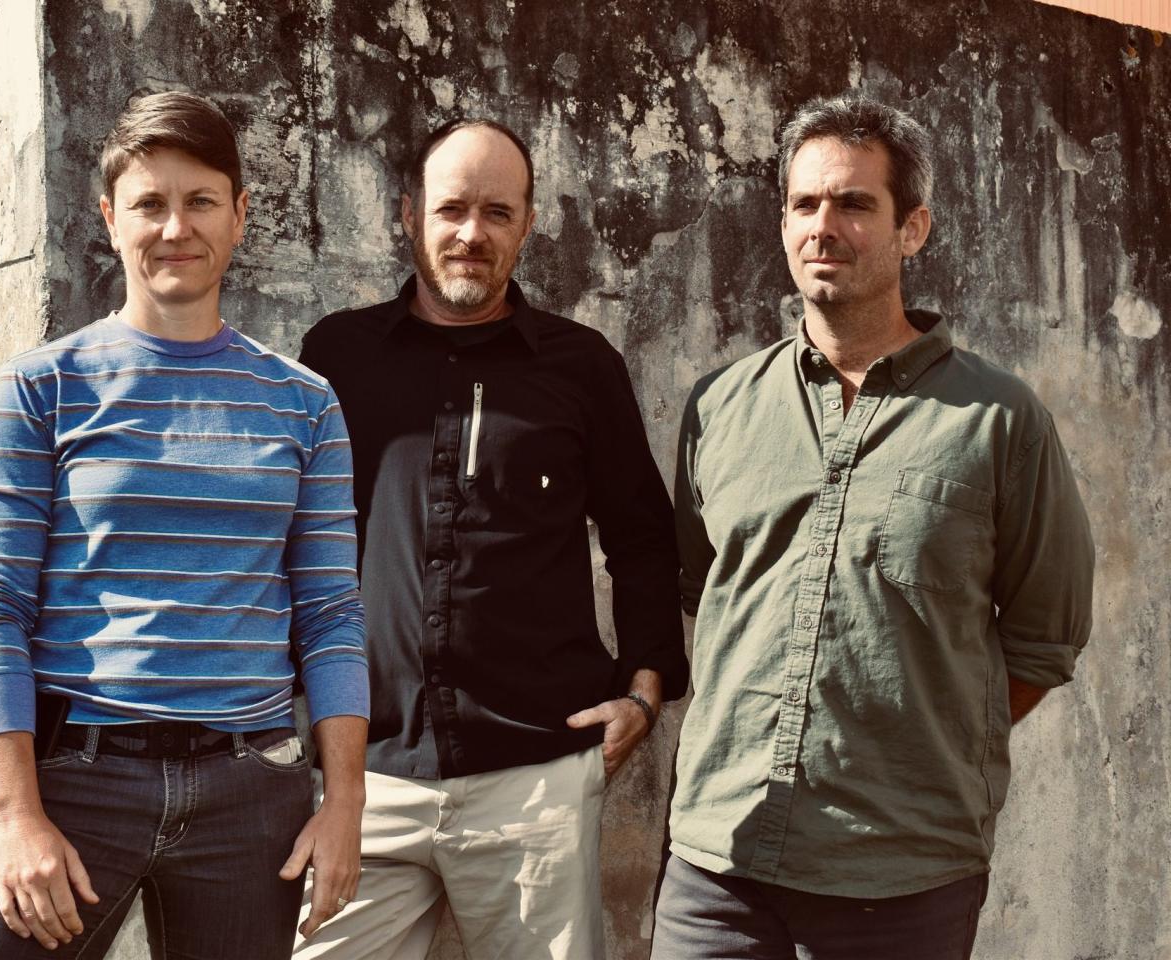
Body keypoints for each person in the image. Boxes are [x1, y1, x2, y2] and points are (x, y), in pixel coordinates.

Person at [0, 92, 369, 960]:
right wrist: (16, 815)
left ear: (240, 214)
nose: (175, 228)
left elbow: (330, 614)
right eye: (149, 203)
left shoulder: (305, 403)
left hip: (251, 794)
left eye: (200, 201)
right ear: (110, 218)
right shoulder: (38, 389)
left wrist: (343, 801)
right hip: (73, 782)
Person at [652, 94, 1095, 959]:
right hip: (716, 865)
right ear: (783, 224)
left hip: (901, 878)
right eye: (805, 204)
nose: (824, 227)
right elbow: (708, 590)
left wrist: (917, 749)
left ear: (911, 229)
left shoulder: (1000, 420)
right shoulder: (719, 406)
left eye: (855, 203)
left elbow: (1045, 640)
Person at [293, 118, 689, 960]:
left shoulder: (581, 366)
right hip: (364, 777)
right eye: (452, 209)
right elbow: (291, 537)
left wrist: (645, 690)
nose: (472, 233)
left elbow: (644, 536)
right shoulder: (336, 356)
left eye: (497, 213)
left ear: (528, 224)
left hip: (535, 782)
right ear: (410, 214)